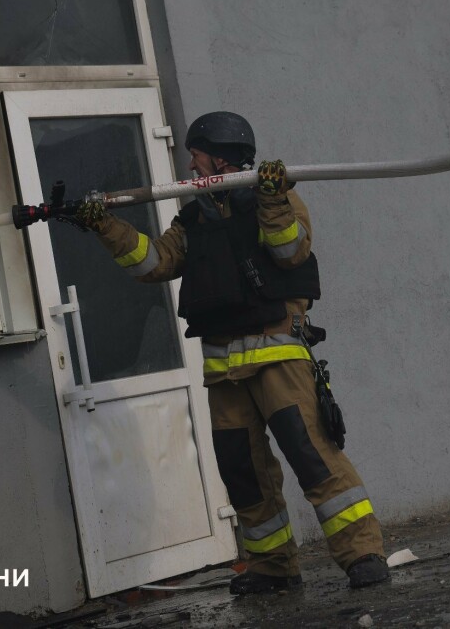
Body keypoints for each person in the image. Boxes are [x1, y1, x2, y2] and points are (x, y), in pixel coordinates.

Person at [69, 111, 389, 595]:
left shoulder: (273, 198)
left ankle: (362, 553)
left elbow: (290, 252)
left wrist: (272, 198)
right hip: (223, 371)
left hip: (278, 359)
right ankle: (273, 567)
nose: (190, 166)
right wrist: (105, 226)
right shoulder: (194, 218)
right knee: (242, 472)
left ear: (220, 158)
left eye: (196, 155)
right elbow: (153, 263)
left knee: (312, 456)